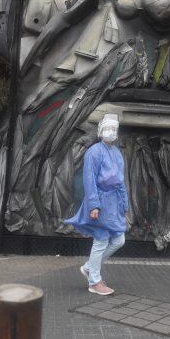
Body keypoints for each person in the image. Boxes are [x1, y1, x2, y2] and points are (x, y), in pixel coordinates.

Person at [65, 114, 129, 296]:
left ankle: (88, 268)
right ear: (101, 130)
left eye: (114, 129)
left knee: (119, 240)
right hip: (100, 201)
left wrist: (125, 206)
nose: (111, 132)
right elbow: (89, 179)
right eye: (107, 128)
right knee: (101, 239)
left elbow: (120, 182)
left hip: (114, 202)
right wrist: (94, 205)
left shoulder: (116, 153)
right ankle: (94, 281)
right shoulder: (94, 152)